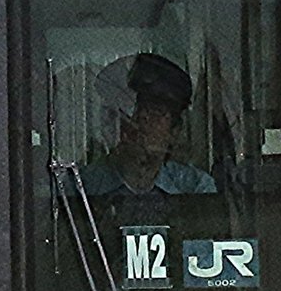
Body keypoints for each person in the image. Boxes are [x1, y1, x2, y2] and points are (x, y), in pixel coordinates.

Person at [80, 52, 216, 198]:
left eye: (156, 110)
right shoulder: (81, 187)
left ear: (175, 130)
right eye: (134, 108)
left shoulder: (195, 188)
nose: (142, 117)